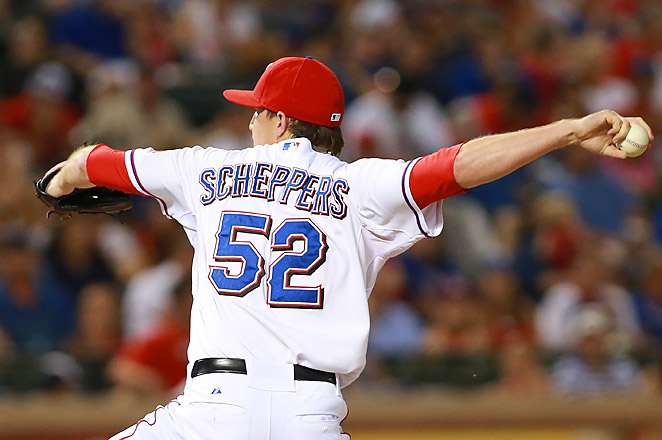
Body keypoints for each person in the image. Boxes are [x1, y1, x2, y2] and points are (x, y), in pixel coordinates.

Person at [42, 56, 653, 440]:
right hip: (311, 413)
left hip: (211, 409)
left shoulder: (204, 169)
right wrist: (566, 130)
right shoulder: (361, 186)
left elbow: (94, 161)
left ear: (282, 121)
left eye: (258, 112)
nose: (250, 122)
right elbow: (457, 165)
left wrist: (59, 180)